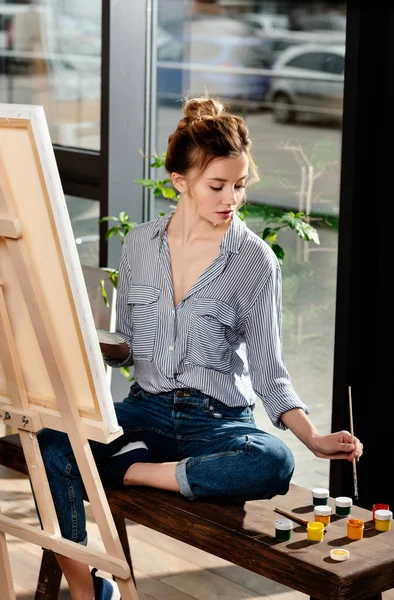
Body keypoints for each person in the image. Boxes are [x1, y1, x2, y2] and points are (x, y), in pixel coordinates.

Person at [37, 96, 363, 600]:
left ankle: (133, 469)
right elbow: (128, 348)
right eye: (217, 185)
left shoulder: (255, 262)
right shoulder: (141, 245)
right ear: (180, 182)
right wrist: (91, 342)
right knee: (52, 443)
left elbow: (269, 376)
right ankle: (87, 591)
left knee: (273, 462)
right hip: (145, 412)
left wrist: (314, 439)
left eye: (239, 186)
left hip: (217, 423)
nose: (231, 198)